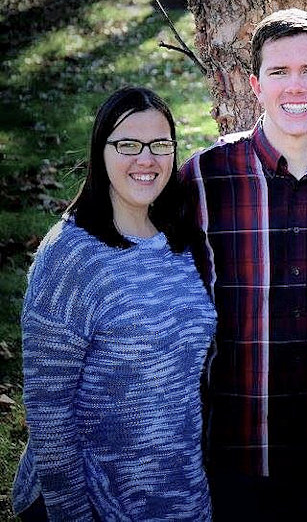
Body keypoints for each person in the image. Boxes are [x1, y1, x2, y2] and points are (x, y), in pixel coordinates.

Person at [180, 9, 307, 520]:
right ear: (255, 86)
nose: (294, 86)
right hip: (234, 451)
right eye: (279, 73)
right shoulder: (204, 179)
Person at [12, 87, 217, 521]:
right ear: (100, 150)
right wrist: (73, 513)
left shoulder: (178, 241)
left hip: (178, 491)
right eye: (128, 144)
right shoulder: (70, 256)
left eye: (161, 145)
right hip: (96, 499)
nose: (147, 159)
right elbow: (49, 412)